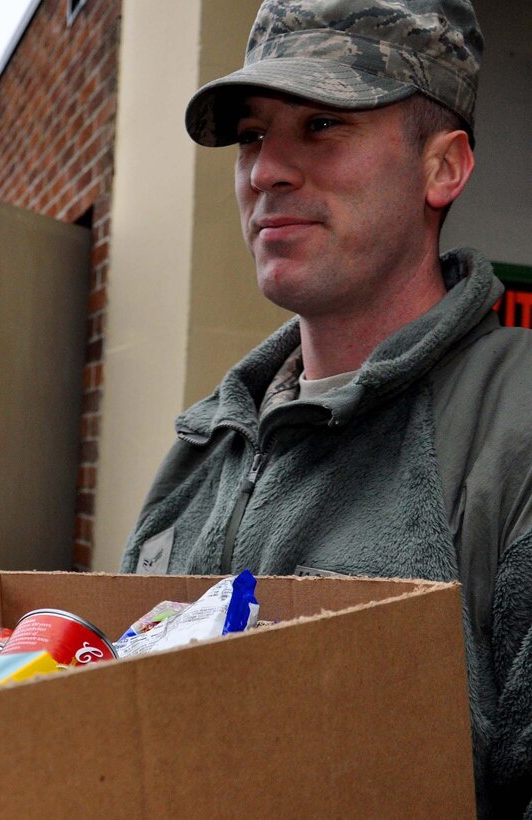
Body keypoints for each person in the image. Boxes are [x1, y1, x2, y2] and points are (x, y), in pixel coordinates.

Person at [121, 1, 532, 816]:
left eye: (319, 125)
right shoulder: (205, 446)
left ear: (443, 168)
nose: (265, 170)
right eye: (250, 136)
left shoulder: (510, 434)